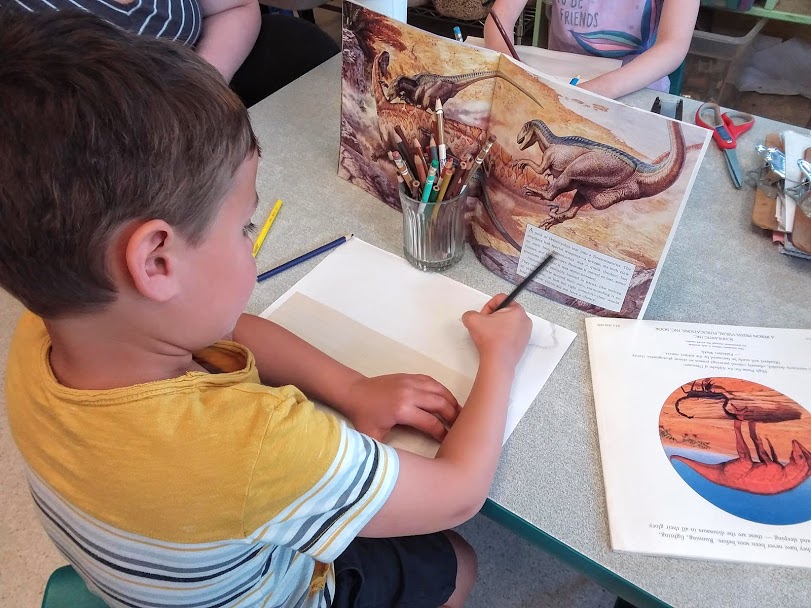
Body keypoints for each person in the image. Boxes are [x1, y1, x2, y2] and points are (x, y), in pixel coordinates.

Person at [0, 10, 532, 608]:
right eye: (245, 227)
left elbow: (229, 331)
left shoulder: (50, 326)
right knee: (454, 561)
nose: (252, 240)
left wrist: (353, 387)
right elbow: (458, 493)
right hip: (272, 594)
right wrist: (502, 356)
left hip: (140, 578)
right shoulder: (254, 446)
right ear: (156, 262)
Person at [2, 0, 338, 107]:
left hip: (200, 102)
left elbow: (236, 6)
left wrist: (203, 88)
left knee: (295, 43)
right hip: (108, 156)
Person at [484, 0, 700, 99]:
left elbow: (673, 45)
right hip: (559, 82)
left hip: (635, 90)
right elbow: (500, 17)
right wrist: (513, 74)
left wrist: (593, 93)